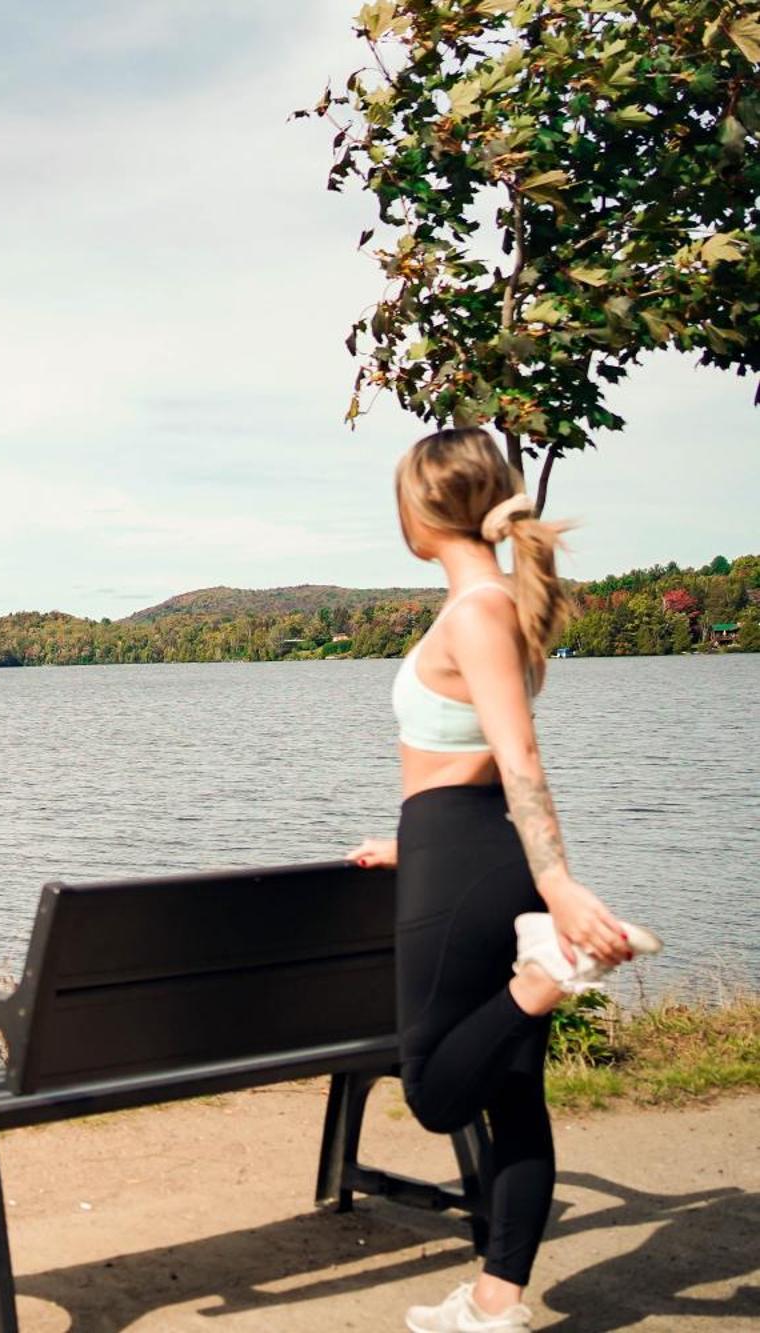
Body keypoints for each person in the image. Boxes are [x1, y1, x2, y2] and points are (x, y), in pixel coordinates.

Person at [345, 427, 663, 1333]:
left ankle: (543, 976)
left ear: (419, 510)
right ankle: (495, 1301)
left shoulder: (479, 610)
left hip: (472, 858)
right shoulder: (499, 605)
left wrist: (559, 887)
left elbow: (520, 757)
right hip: (462, 845)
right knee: (513, 1094)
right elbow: (476, 754)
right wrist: (416, 835)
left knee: (437, 1091)